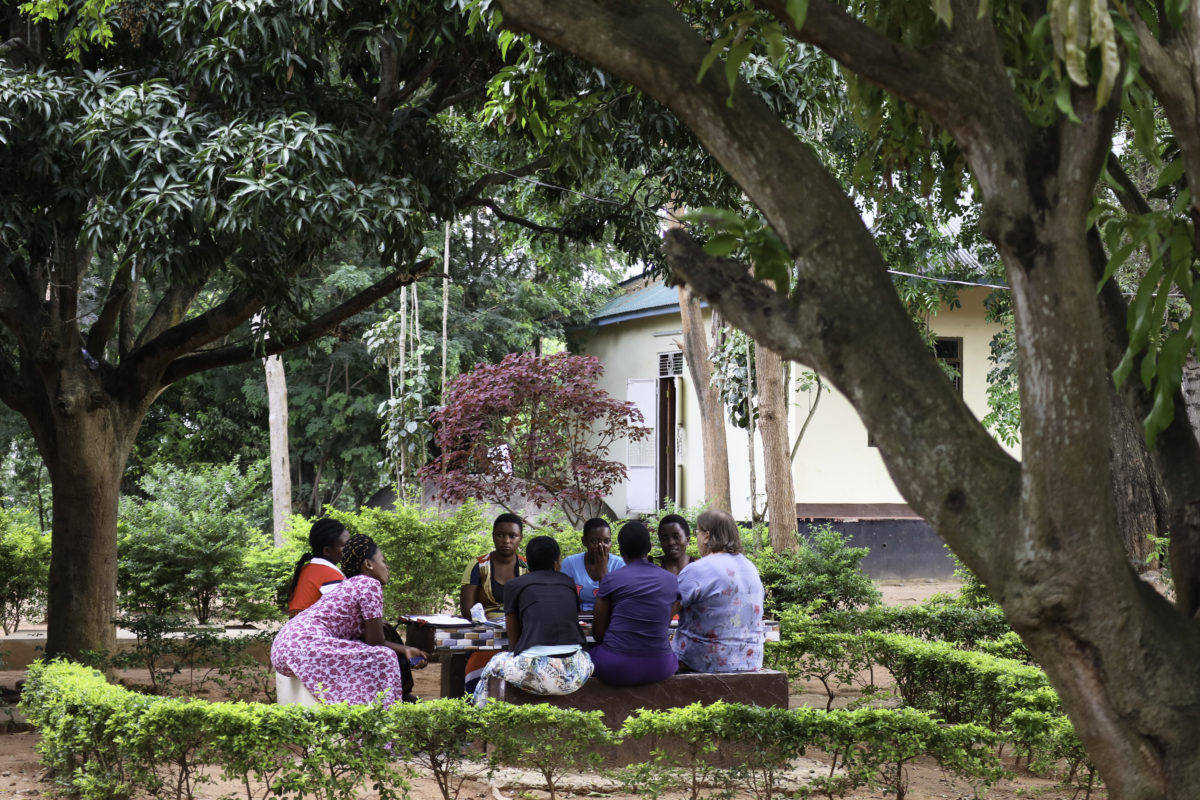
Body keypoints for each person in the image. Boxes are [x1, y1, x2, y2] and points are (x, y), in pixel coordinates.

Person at [271, 534, 428, 705]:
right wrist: (405, 650)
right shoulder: (369, 584)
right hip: (304, 644)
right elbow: (375, 641)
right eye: (383, 561)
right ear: (368, 564)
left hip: (285, 645)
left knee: (371, 653)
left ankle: (361, 711)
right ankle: (381, 717)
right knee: (384, 657)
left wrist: (405, 650)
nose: (387, 566)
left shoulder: (349, 584)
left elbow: (369, 638)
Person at [472, 535, 593, 706]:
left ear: (527, 563)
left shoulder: (514, 585)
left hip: (534, 673)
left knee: (493, 664)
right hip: (575, 673)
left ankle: (479, 719)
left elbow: (514, 646)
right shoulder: (568, 583)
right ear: (556, 563)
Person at [672, 509, 765, 673]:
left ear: (707, 536)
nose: (696, 538)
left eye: (697, 532)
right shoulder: (751, 568)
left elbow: (664, 612)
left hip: (703, 663)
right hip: (751, 662)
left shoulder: (698, 570)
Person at [589, 521, 679, 686]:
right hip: (661, 665)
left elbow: (598, 634)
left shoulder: (611, 579)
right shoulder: (671, 581)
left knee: (588, 653)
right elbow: (663, 624)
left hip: (616, 666)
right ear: (650, 547)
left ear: (621, 551)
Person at [460, 513, 528, 692]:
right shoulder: (478, 565)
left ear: (520, 538)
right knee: (480, 659)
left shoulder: (527, 566)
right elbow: (467, 609)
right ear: (493, 536)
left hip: (520, 632)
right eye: (500, 535)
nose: (506, 540)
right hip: (485, 634)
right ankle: (477, 700)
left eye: (512, 536)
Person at [286, 518, 351, 617]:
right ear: (327, 551)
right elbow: (345, 614)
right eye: (345, 545)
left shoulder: (306, 569)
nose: (350, 549)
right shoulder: (329, 575)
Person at [559, 518, 625, 612]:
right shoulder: (570, 564)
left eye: (606, 541)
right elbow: (564, 601)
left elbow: (618, 602)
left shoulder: (620, 565)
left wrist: (603, 574)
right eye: (594, 541)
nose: (601, 546)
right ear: (584, 541)